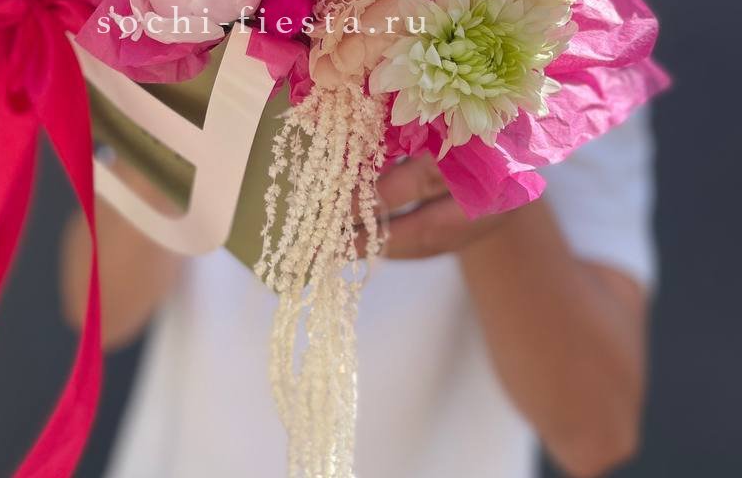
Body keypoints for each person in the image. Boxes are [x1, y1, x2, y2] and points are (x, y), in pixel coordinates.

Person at [61, 108, 654, 478]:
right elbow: (97, 313)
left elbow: (596, 434)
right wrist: (190, 92)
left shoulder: (567, 36)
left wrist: (488, 168)